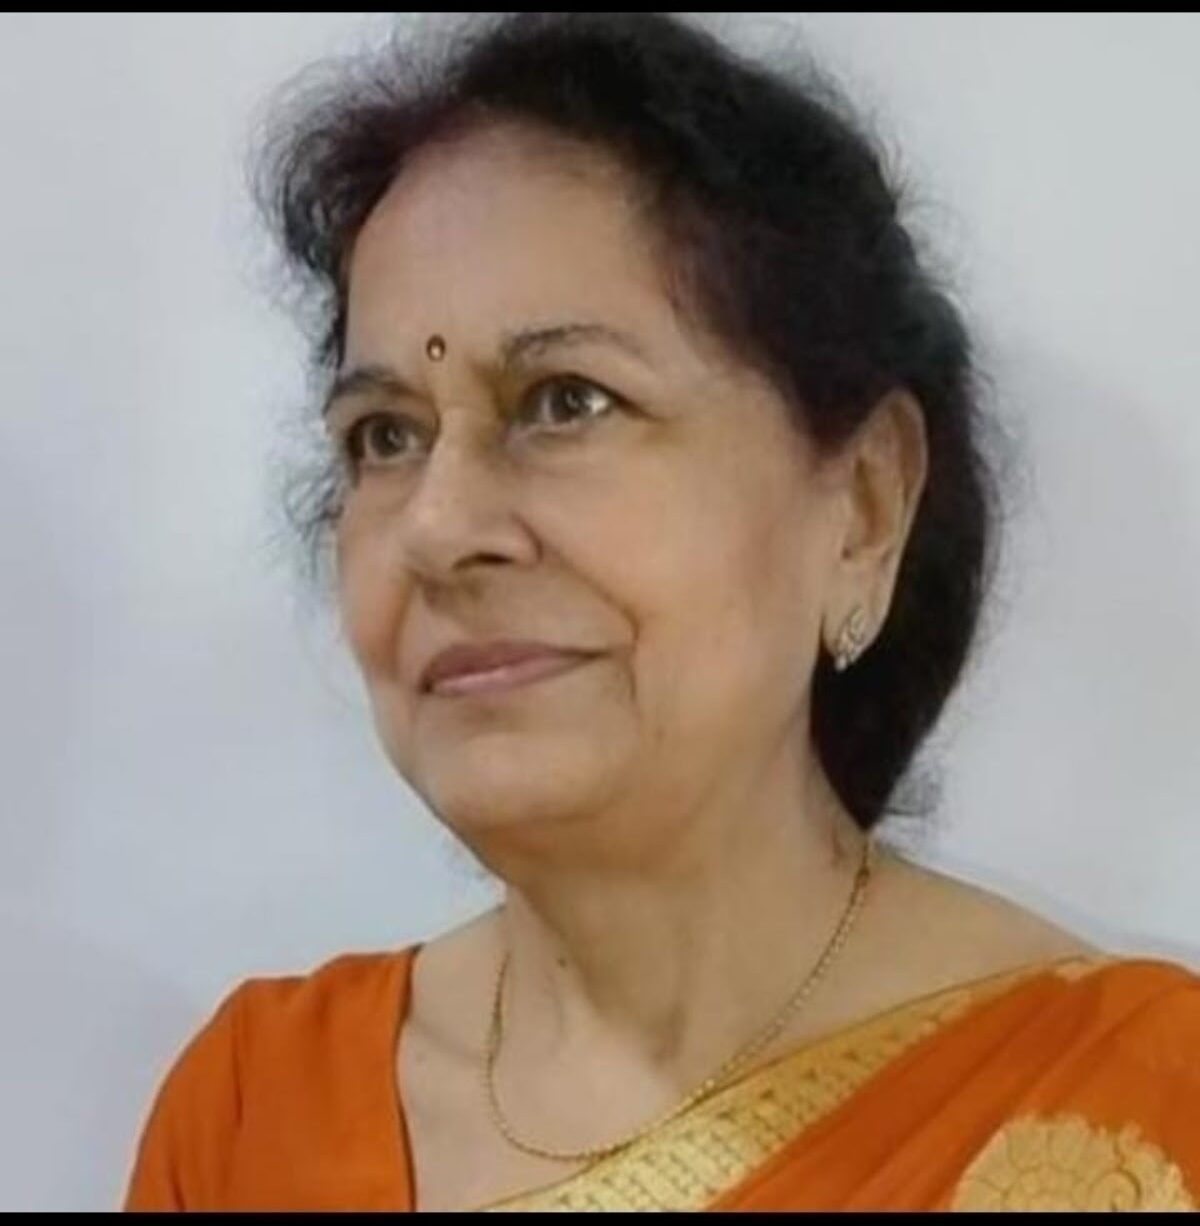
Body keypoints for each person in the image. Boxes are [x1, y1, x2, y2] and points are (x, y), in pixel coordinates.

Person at [123, 12, 1199, 1212]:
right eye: (384, 435)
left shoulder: (1136, 1121)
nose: (436, 524)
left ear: (863, 506)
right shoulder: (255, 1109)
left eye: (566, 401)